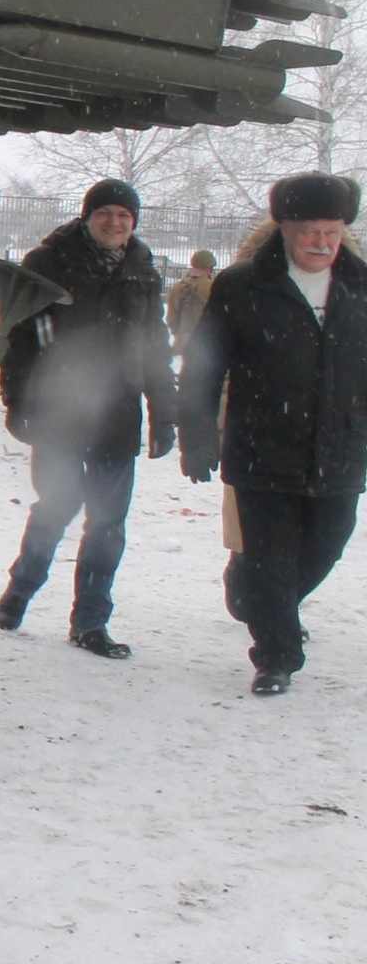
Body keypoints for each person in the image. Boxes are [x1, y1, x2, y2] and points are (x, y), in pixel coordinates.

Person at [180, 175, 367, 696]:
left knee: (326, 545)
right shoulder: (243, 286)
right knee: (271, 555)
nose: (321, 242)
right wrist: (195, 434)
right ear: (283, 229)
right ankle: (276, 657)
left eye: (331, 231)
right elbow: (203, 365)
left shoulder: (360, 285)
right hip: (262, 444)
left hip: (341, 448)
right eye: (309, 231)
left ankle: (253, 591)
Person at [0, 179, 177, 658]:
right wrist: (18, 401)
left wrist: (164, 411)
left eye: (124, 215)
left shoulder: (143, 268)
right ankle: (23, 586)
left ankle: (90, 622)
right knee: (59, 503)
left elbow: (155, 343)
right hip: (61, 408)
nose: (115, 223)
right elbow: (20, 337)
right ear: (86, 216)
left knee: (108, 522)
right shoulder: (49, 262)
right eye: (105, 214)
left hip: (118, 412)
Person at [167, 248, 217, 358]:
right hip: (206, 344)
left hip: (182, 342)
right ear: (209, 268)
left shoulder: (177, 287)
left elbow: (170, 319)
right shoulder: (214, 287)